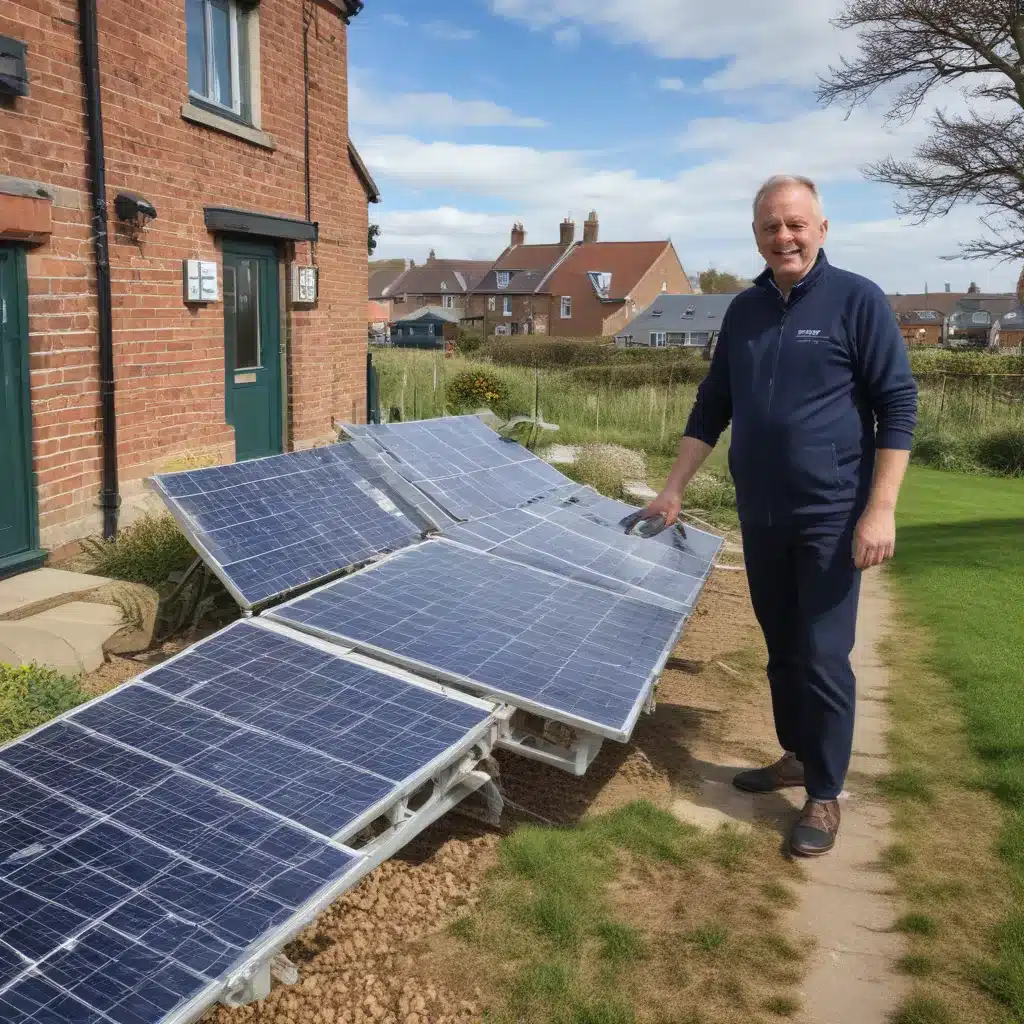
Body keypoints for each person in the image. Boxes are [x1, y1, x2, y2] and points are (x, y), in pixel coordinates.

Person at [642, 175, 918, 857]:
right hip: (761, 516)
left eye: (796, 224)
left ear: (821, 229)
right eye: (771, 226)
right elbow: (713, 406)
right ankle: (796, 755)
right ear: (757, 235)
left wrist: (880, 510)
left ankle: (825, 795)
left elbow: (898, 407)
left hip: (831, 516)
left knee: (824, 656)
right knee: (783, 652)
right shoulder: (744, 312)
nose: (784, 237)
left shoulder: (858, 300)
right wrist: (675, 486)